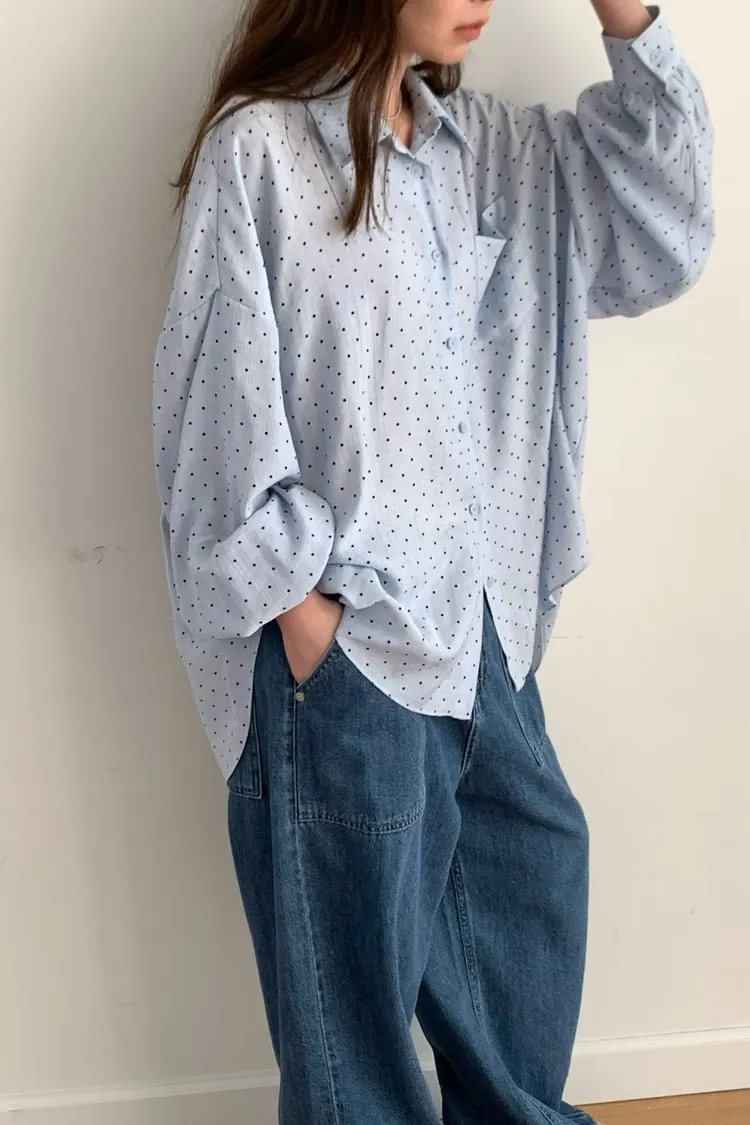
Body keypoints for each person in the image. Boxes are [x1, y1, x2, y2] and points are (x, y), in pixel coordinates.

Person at [152, 0, 713, 1121]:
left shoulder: (497, 153)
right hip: (346, 640)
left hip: (482, 632)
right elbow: (213, 415)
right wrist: (307, 624)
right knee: (353, 1051)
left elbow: (667, 225)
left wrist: (626, 11)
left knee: (532, 877)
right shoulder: (262, 152)